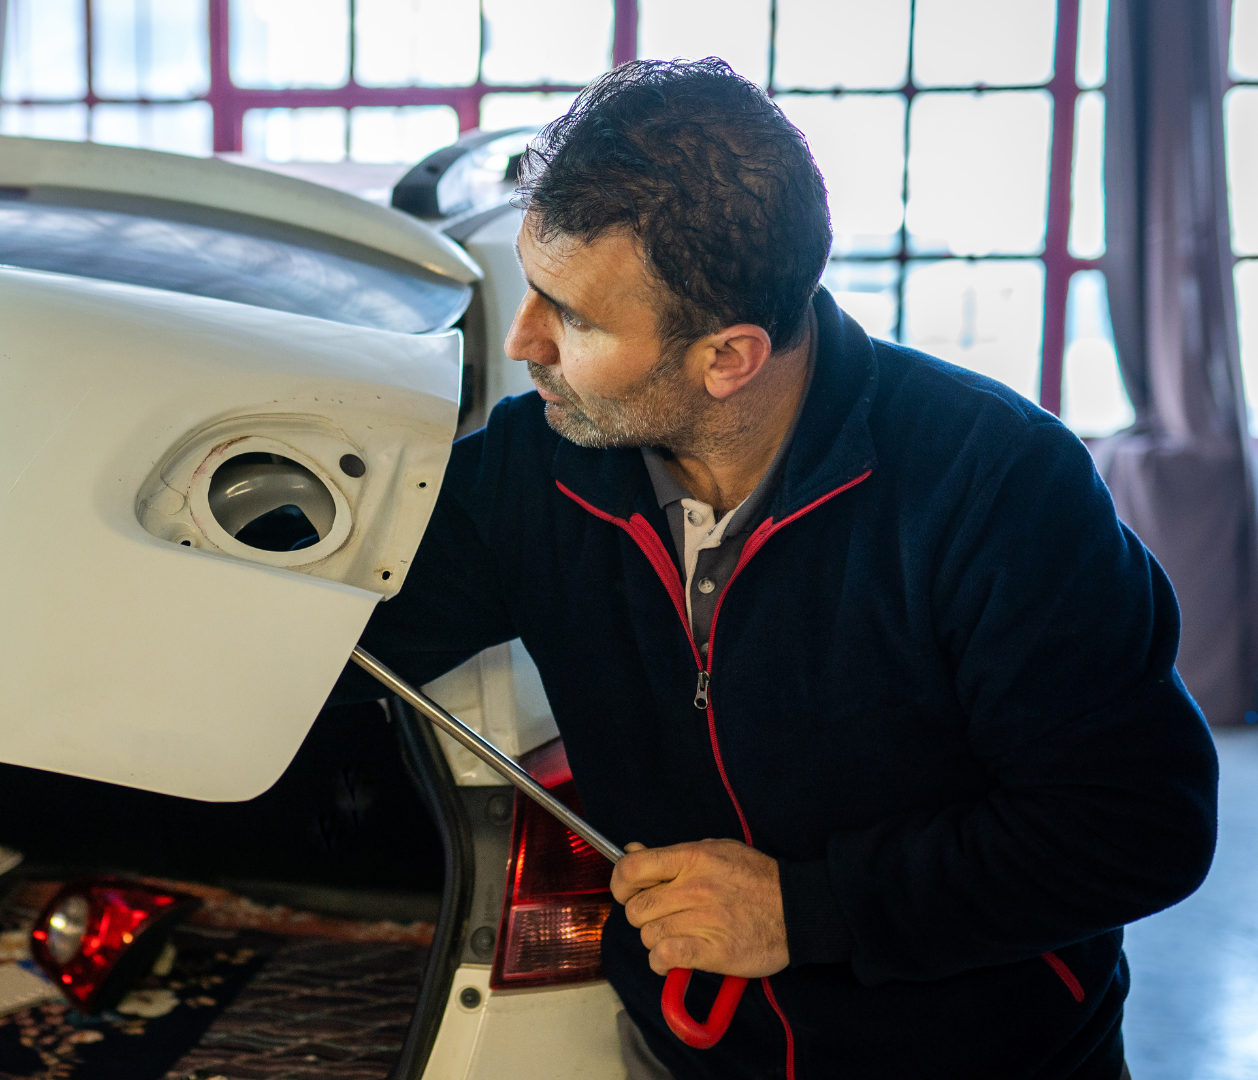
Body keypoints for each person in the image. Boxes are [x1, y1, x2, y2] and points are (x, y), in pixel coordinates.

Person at [347, 59, 1218, 1079]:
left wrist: (806, 910)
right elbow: (340, 620)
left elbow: (1141, 824)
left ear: (729, 358)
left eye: (573, 318)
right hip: (692, 1055)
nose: (523, 339)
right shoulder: (532, 470)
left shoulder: (999, 485)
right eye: (532, 287)